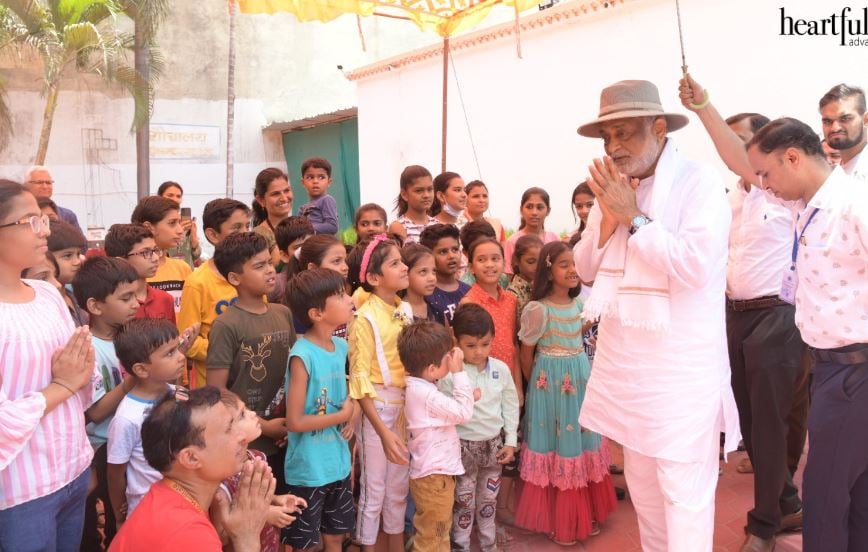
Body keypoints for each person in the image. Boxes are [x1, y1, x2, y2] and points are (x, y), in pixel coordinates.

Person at [573, 80, 738, 551]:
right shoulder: (612, 190)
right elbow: (584, 270)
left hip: (682, 377)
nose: (615, 147)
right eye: (607, 138)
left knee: (684, 501)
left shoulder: (699, 182)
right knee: (644, 496)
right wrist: (607, 220)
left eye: (624, 133)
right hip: (629, 372)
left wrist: (634, 219)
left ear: (659, 127)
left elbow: (694, 267)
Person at [678, 76, 808, 551]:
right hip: (733, 317)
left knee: (771, 425)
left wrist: (704, 107)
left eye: (742, 142)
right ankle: (788, 503)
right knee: (748, 423)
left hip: (778, 316)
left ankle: (764, 526)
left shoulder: (781, 191)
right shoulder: (729, 197)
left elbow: (738, 156)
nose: (732, 153)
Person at [746, 117, 868, 552]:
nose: (762, 184)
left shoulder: (853, 205)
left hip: (855, 372)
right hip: (832, 368)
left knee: (825, 494)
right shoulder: (806, 204)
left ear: (793, 158)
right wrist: (703, 107)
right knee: (855, 497)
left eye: (766, 173)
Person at [0, 180, 95, 551]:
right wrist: (62, 387)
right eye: (30, 222)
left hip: (71, 469)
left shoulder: (46, 294)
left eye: (43, 220)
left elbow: (78, 372)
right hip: (21, 490)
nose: (45, 232)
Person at [515, 241, 616, 544]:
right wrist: (538, 388)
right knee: (556, 446)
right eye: (564, 265)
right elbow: (525, 353)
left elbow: (582, 333)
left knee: (581, 441)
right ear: (548, 270)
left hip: (580, 382)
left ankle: (582, 512)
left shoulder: (580, 306)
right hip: (549, 388)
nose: (573, 270)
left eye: (574, 264)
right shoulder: (537, 309)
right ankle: (557, 520)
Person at [109, 386, 276, 551]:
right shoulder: (188, 534)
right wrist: (246, 539)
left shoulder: (168, 498)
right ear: (191, 458)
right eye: (229, 429)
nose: (242, 436)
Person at [207, 232, 296, 491]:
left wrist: (293, 423)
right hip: (248, 443)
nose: (270, 270)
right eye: (259, 266)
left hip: (288, 437)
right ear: (234, 278)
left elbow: (294, 372)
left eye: (270, 262)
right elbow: (217, 393)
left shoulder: (283, 313)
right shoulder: (226, 325)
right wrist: (264, 427)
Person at [283, 268, 358, 551]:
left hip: (337, 462)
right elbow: (296, 421)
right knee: (302, 542)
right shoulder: (302, 355)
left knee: (335, 536)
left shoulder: (340, 346)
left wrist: (351, 412)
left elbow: (348, 393)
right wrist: (342, 415)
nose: (349, 299)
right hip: (309, 468)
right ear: (316, 313)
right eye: (339, 295)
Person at [347, 234, 412, 552]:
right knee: (373, 490)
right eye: (395, 263)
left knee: (398, 489)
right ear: (373, 277)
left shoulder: (405, 310)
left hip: (404, 407)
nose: (404, 267)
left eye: (403, 261)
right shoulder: (364, 317)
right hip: (377, 411)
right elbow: (359, 380)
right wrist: (383, 432)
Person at [71, 256, 141, 549]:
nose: (136, 303)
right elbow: (95, 412)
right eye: (126, 298)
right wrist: (134, 380)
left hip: (134, 440)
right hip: (105, 450)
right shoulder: (89, 349)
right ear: (95, 306)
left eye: (136, 294)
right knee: (116, 519)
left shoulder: (132, 336)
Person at [440, 304, 519, 552]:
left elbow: (510, 405)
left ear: (493, 339)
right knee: (463, 501)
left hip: (494, 446)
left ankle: (489, 544)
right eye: (470, 346)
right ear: (456, 341)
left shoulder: (501, 370)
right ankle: (461, 546)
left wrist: (510, 441)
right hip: (462, 448)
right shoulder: (449, 374)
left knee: (488, 501)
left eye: (485, 344)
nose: (478, 352)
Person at [107, 318, 194, 525]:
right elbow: (115, 472)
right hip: (148, 513)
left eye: (177, 349)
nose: (181, 357)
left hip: (186, 504)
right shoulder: (127, 417)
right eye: (170, 353)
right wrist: (120, 517)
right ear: (141, 370)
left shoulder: (180, 395)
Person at [399, 321, 474, 552]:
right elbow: (464, 413)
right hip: (435, 478)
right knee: (435, 536)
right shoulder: (426, 394)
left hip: (433, 476)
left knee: (435, 532)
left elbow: (451, 410)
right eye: (447, 358)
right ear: (432, 369)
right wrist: (460, 372)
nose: (451, 361)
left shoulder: (420, 387)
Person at [212, 391, 307, 552]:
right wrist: (265, 516)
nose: (253, 414)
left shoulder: (257, 457)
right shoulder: (220, 479)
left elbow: (258, 497)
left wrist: (276, 499)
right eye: (242, 414)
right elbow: (221, 535)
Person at [177, 198, 251, 388]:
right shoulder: (197, 283)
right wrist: (229, 351)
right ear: (213, 235)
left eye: (247, 226)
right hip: (212, 390)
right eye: (236, 228)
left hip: (250, 382)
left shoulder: (253, 276)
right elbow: (188, 342)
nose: (245, 234)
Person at [105, 223, 176, 322]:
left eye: (155, 250)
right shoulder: (111, 306)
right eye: (145, 253)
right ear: (121, 260)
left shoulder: (165, 299)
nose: (156, 258)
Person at [131, 195, 190, 313]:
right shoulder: (132, 272)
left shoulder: (182, 268)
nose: (180, 230)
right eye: (172, 223)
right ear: (148, 227)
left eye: (179, 223)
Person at [285, 234, 351, 337]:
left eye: (345, 260)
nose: (345, 267)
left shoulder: (345, 297)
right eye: (336, 261)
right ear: (313, 268)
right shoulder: (302, 307)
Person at [420, 224, 470, 325]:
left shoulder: (468, 290)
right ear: (429, 256)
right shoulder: (425, 295)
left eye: (455, 249)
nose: (451, 256)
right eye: (443, 252)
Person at [503, 188, 559, 275]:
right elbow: (509, 274)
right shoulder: (512, 241)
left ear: (548, 211)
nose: (534, 212)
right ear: (521, 210)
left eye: (540, 207)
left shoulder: (554, 238)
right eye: (529, 207)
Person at [818, 84, 868, 180]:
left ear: (865, 120)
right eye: (828, 121)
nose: (835, 128)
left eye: (845, 118)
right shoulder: (833, 174)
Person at [47, 219, 88, 326]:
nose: (77, 262)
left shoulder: (74, 294)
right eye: (67, 256)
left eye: (78, 254)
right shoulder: (43, 301)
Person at [252, 167, 294, 267]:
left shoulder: (300, 224)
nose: (284, 198)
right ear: (261, 200)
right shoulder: (258, 236)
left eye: (287, 190)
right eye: (275, 194)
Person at [269, 215, 315, 303]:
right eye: (299, 247)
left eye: (311, 243)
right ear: (284, 256)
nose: (307, 250)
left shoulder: (326, 275)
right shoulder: (277, 284)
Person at [157, 181, 202, 269]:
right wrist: (177, 232)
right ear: (159, 197)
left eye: (178, 196)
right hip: (166, 274)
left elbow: (195, 256)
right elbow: (158, 252)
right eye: (170, 195)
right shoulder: (156, 222)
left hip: (187, 274)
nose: (175, 199)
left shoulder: (185, 222)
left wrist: (194, 242)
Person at [388, 165, 438, 244]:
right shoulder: (399, 227)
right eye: (419, 191)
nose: (426, 195)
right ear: (404, 194)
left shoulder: (438, 225)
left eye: (430, 189)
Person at [23, 165, 82, 230]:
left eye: (48, 183)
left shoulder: (67, 216)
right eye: (39, 182)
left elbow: (78, 239)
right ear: (26, 186)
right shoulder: (18, 214)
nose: (45, 186)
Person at [458, 220, 509, 289]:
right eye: (481, 259)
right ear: (465, 253)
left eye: (494, 258)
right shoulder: (465, 287)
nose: (489, 264)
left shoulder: (503, 279)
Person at [298, 157, 340, 235]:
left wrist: (306, 229)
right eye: (310, 177)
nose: (315, 181)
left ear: (329, 182)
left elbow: (332, 226)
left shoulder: (327, 200)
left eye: (321, 177)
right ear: (303, 182)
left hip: (324, 245)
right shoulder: (303, 209)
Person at [506, 234, 542, 320]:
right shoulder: (512, 294)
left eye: (540, 262)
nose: (537, 267)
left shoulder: (539, 284)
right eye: (530, 262)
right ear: (516, 261)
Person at [400, 243, 438, 322]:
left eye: (434, 271)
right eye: (423, 271)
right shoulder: (400, 313)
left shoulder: (435, 305)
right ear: (406, 273)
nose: (432, 278)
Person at [568, 182, 595, 248]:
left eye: (590, 205)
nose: (585, 211)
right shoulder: (571, 238)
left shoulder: (617, 234)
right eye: (579, 206)